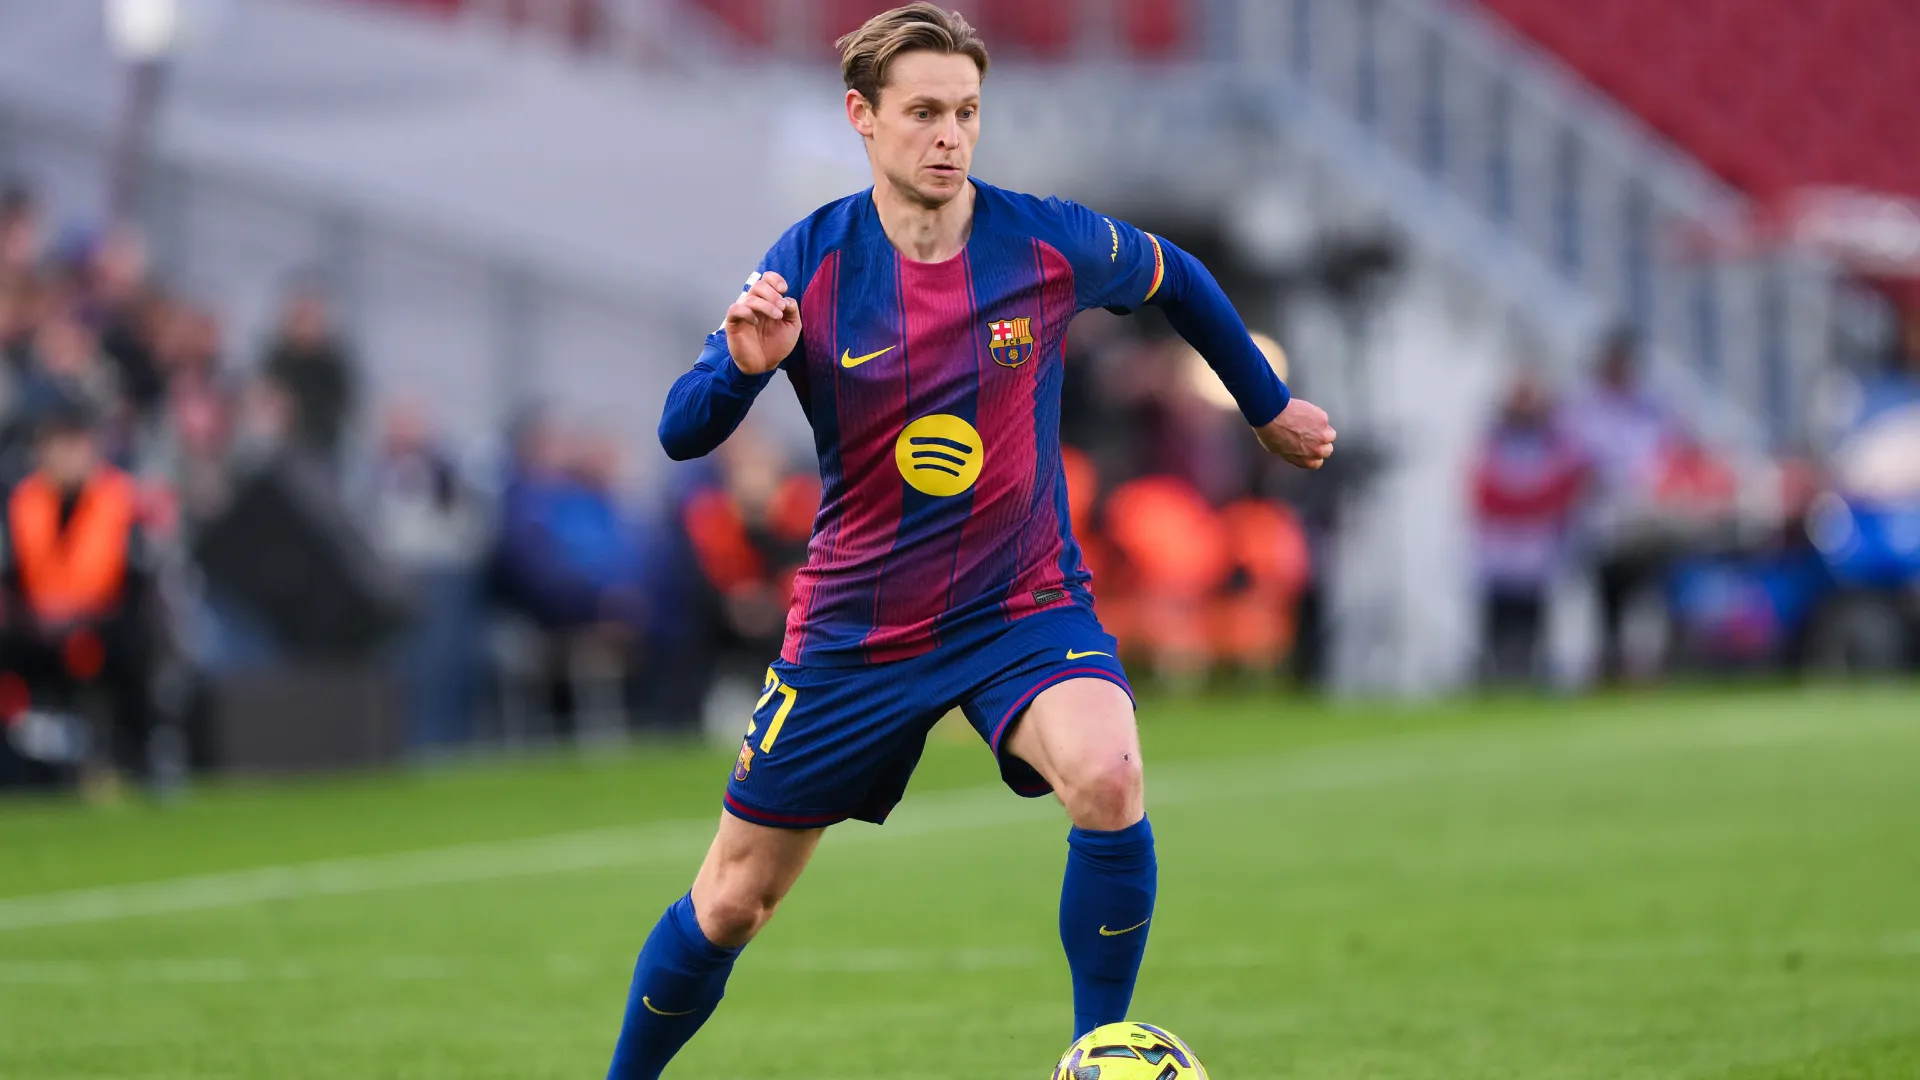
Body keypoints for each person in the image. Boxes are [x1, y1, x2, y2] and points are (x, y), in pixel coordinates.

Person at [606, 6, 1337, 1077]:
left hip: (1020, 605)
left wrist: (1266, 405)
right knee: (732, 901)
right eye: (925, 113)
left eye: (967, 112)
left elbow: (1176, 275)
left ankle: (1098, 1048)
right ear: (863, 118)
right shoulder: (810, 261)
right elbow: (681, 434)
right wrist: (741, 365)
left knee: (1109, 773)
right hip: (859, 627)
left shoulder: (1042, 240)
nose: (951, 136)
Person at [1472, 371, 1587, 684]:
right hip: (1501, 544)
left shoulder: (1552, 440)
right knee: (1498, 615)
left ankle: (1531, 674)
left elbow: (1563, 486)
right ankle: (1495, 675)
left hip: (1537, 542)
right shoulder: (1494, 439)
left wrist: (1526, 497)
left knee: (1535, 616)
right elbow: (1485, 490)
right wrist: (1529, 496)